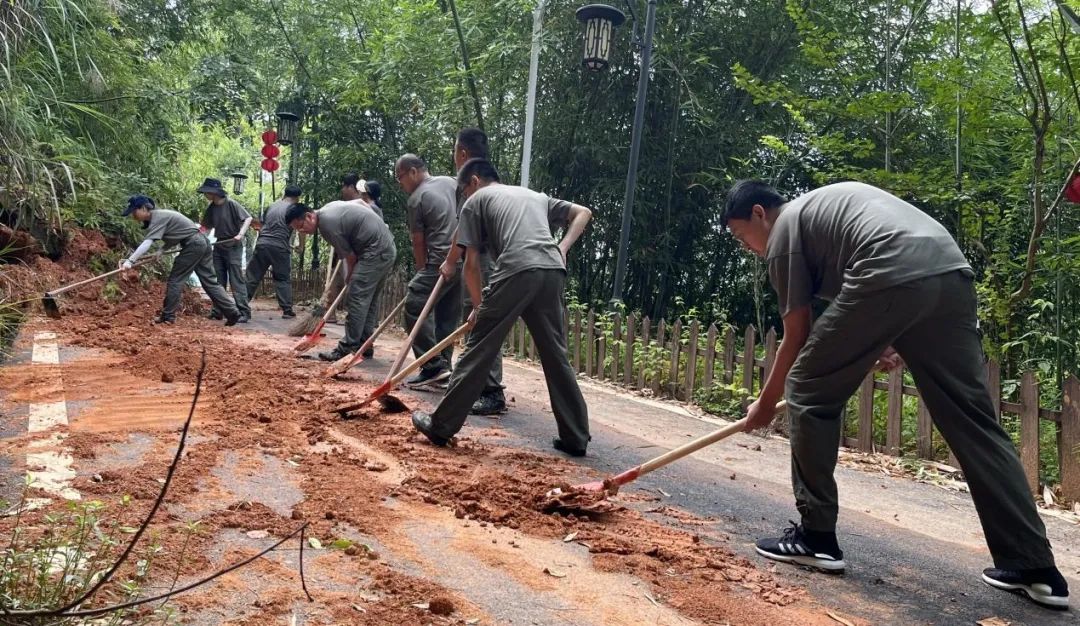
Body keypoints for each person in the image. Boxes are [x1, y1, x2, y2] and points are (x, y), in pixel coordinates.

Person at [721, 180, 1068, 610]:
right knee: (972, 419)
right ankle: (1034, 566)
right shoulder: (820, 217)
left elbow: (797, 334)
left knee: (807, 389)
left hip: (889, 268)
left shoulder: (785, 229)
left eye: (741, 237)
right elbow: (863, 308)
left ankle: (815, 537)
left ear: (759, 213)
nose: (748, 248)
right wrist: (876, 342)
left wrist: (764, 403)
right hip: (950, 273)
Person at [412, 159, 593, 456]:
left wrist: (480, 307)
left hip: (517, 270)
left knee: (479, 347)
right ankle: (575, 436)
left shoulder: (476, 200)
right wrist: (561, 247)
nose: (464, 199)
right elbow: (583, 213)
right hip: (551, 271)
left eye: (463, 192)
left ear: (473, 181)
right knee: (555, 353)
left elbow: (470, 267)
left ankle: (440, 424)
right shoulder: (535, 196)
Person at [438, 127, 507, 414]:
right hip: (495, 260)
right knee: (480, 321)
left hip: (484, 263)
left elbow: (465, 232)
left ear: (463, 153)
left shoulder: (470, 182)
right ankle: (476, 383)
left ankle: (491, 390)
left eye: (455, 150)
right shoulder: (492, 178)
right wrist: (452, 258)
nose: (454, 157)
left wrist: (452, 261)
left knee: (482, 320)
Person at [285, 201, 396, 362]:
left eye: (301, 226)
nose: (302, 231)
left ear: (309, 216)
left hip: (375, 251)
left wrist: (349, 278)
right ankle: (364, 346)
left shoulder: (327, 225)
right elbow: (360, 202)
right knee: (368, 301)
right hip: (385, 249)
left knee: (356, 298)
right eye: (297, 230)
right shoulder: (327, 210)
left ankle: (347, 348)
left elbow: (350, 257)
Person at [119, 195, 240, 326]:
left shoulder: (157, 217)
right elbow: (177, 233)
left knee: (175, 280)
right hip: (201, 242)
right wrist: (162, 250)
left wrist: (130, 261)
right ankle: (232, 311)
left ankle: (168, 316)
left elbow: (147, 242)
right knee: (210, 281)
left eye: (134, 212)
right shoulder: (161, 216)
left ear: (143, 208)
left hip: (193, 244)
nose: (133, 216)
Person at [395, 154, 462, 389]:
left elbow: (418, 242)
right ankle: (444, 369)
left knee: (414, 306)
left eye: (400, 177)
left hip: (440, 261)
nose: (400, 184)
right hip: (463, 259)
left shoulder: (417, 198)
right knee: (446, 316)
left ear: (413, 172)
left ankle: (432, 365)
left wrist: (422, 269)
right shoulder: (451, 182)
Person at [197, 177, 253, 323]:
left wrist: (240, 234)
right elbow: (206, 227)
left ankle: (243, 312)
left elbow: (248, 218)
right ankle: (218, 311)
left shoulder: (231, 204)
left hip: (233, 245)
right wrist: (197, 237)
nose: (205, 195)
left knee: (236, 280)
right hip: (219, 244)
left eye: (207, 192)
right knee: (218, 280)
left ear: (214, 192)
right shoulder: (211, 208)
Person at [246, 185, 298, 319]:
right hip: (280, 247)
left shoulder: (272, 206)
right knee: (282, 278)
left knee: (252, 276)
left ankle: (241, 304)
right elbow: (300, 227)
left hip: (263, 244)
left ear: (284, 194)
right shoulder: (294, 209)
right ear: (297, 198)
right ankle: (287, 310)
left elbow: (261, 225)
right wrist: (300, 246)